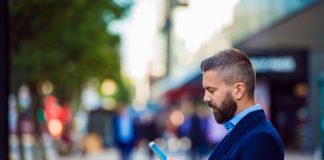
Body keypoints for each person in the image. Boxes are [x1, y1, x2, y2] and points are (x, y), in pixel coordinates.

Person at [169, 48, 285, 160]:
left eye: (211, 90)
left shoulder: (261, 139)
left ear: (238, 91)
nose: (205, 98)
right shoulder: (239, 129)